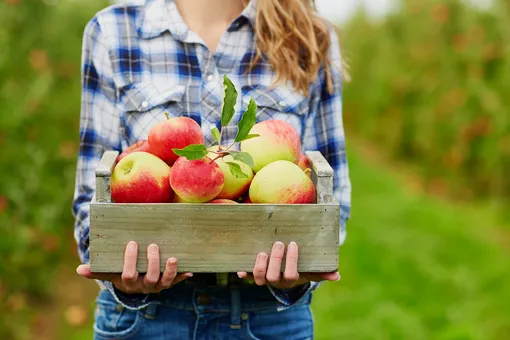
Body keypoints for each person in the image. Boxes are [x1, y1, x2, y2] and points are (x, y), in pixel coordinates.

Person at [73, 0, 351, 338]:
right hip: (144, 320)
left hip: (266, 317)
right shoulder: (114, 31)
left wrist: (301, 268)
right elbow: (92, 194)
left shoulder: (307, 34)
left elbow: (332, 195)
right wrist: (119, 271)